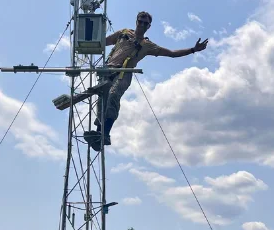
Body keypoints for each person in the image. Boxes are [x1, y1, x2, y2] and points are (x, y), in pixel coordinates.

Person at [53, 11, 208, 152]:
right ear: (136, 21)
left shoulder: (147, 45)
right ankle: (100, 135)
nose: (141, 24)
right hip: (107, 72)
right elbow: (102, 41)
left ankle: (105, 133)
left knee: (113, 96)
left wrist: (193, 50)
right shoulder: (124, 33)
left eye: (145, 23)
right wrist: (83, 36)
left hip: (123, 73)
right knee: (102, 102)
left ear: (149, 26)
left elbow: (172, 54)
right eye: (140, 21)